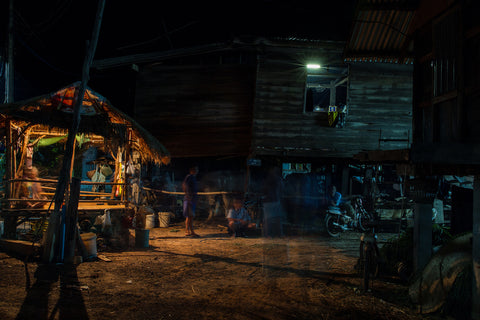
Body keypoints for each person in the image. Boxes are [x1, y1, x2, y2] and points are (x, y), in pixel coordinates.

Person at [262, 166, 285, 237]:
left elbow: (281, 189)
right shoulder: (270, 179)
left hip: (274, 201)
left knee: (277, 218)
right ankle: (268, 234)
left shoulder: (276, 179)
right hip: (269, 202)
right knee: (268, 219)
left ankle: (278, 234)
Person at [182, 165, 199, 237]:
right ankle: (189, 231)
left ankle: (189, 230)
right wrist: (189, 196)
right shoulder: (189, 177)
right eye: (196, 170)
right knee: (190, 216)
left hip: (192, 199)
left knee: (190, 216)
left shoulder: (193, 178)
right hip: (189, 199)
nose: (197, 171)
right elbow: (185, 186)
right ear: (193, 170)